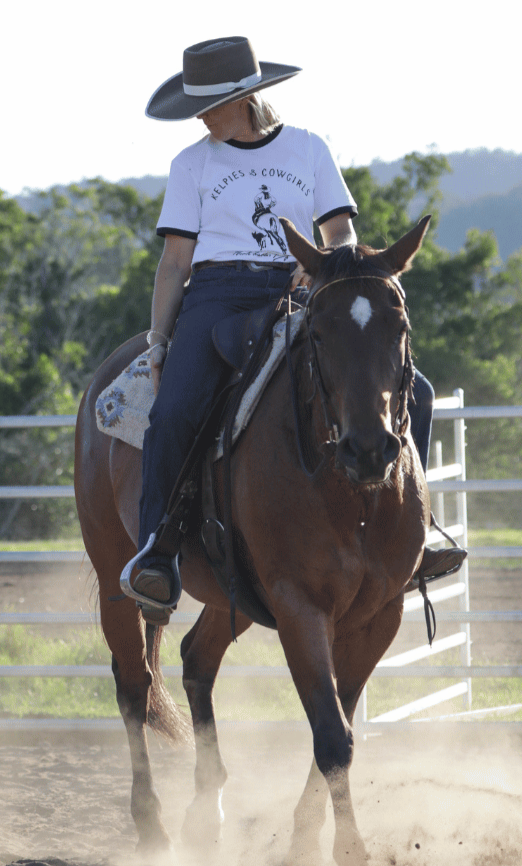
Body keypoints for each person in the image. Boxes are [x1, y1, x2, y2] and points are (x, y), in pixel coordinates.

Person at [129, 36, 466, 611]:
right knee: (175, 408)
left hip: (305, 285)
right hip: (217, 293)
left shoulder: (308, 150)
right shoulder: (191, 164)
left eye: (210, 103)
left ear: (247, 98)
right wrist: (159, 342)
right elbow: (176, 262)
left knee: (422, 391)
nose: (202, 116)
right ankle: (157, 550)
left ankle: (413, 529)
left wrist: (320, 272)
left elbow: (341, 234)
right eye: (198, 107)